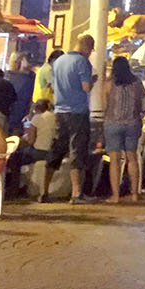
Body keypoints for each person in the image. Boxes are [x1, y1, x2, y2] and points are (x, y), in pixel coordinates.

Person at [40, 34, 96, 204]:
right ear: (87, 47)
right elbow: (86, 88)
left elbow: (54, 85)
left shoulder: (59, 62)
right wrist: (93, 80)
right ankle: (76, 193)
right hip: (77, 112)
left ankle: (44, 191)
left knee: (56, 149)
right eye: (91, 49)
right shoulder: (82, 62)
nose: (90, 53)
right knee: (77, 151)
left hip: (60, 111)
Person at [103, 55, 145, 203]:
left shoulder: (109, 83)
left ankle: (115, 196)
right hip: (132, 123)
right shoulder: (137, 83)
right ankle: (134, 194)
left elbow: (105, 103)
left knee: (114, 160)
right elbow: (141, 101)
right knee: (132, 158)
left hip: (113, 123)